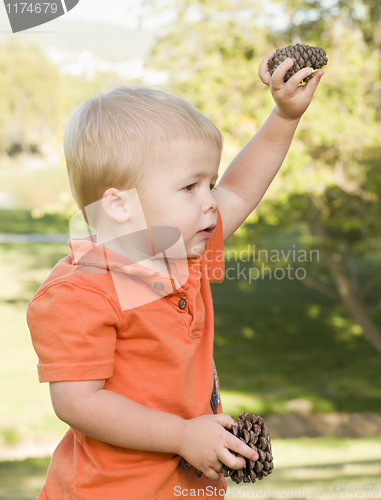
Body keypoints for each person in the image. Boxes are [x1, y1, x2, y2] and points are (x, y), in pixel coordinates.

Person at [27, 52, 324, 500]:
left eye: (210, 183)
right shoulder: (81, 290)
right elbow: (77, 402)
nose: (210, 201)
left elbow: (240, 188)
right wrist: (183, 435)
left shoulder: (180, 252)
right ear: (119, 206)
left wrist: (284, 115)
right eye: (190, 187)